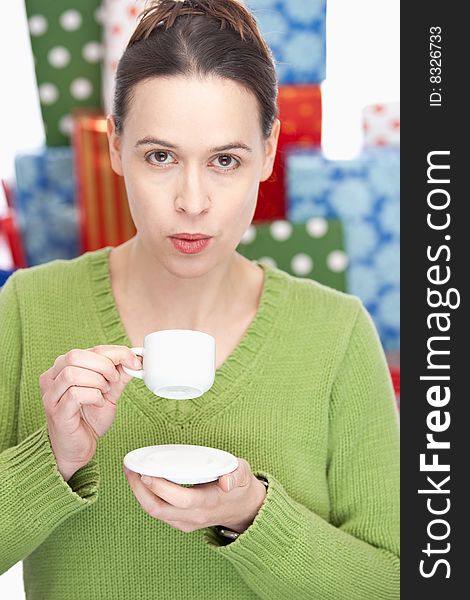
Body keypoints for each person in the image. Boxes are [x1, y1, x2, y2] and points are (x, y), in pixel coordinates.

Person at [0, 1, 400, 598]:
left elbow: (394, 582)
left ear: (268, 154)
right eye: (160, 156)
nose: (192, 201)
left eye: (225, 161)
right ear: (115, 147)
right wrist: (50, 460)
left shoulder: (336, 332)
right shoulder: (28, 308)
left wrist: (251, 515)